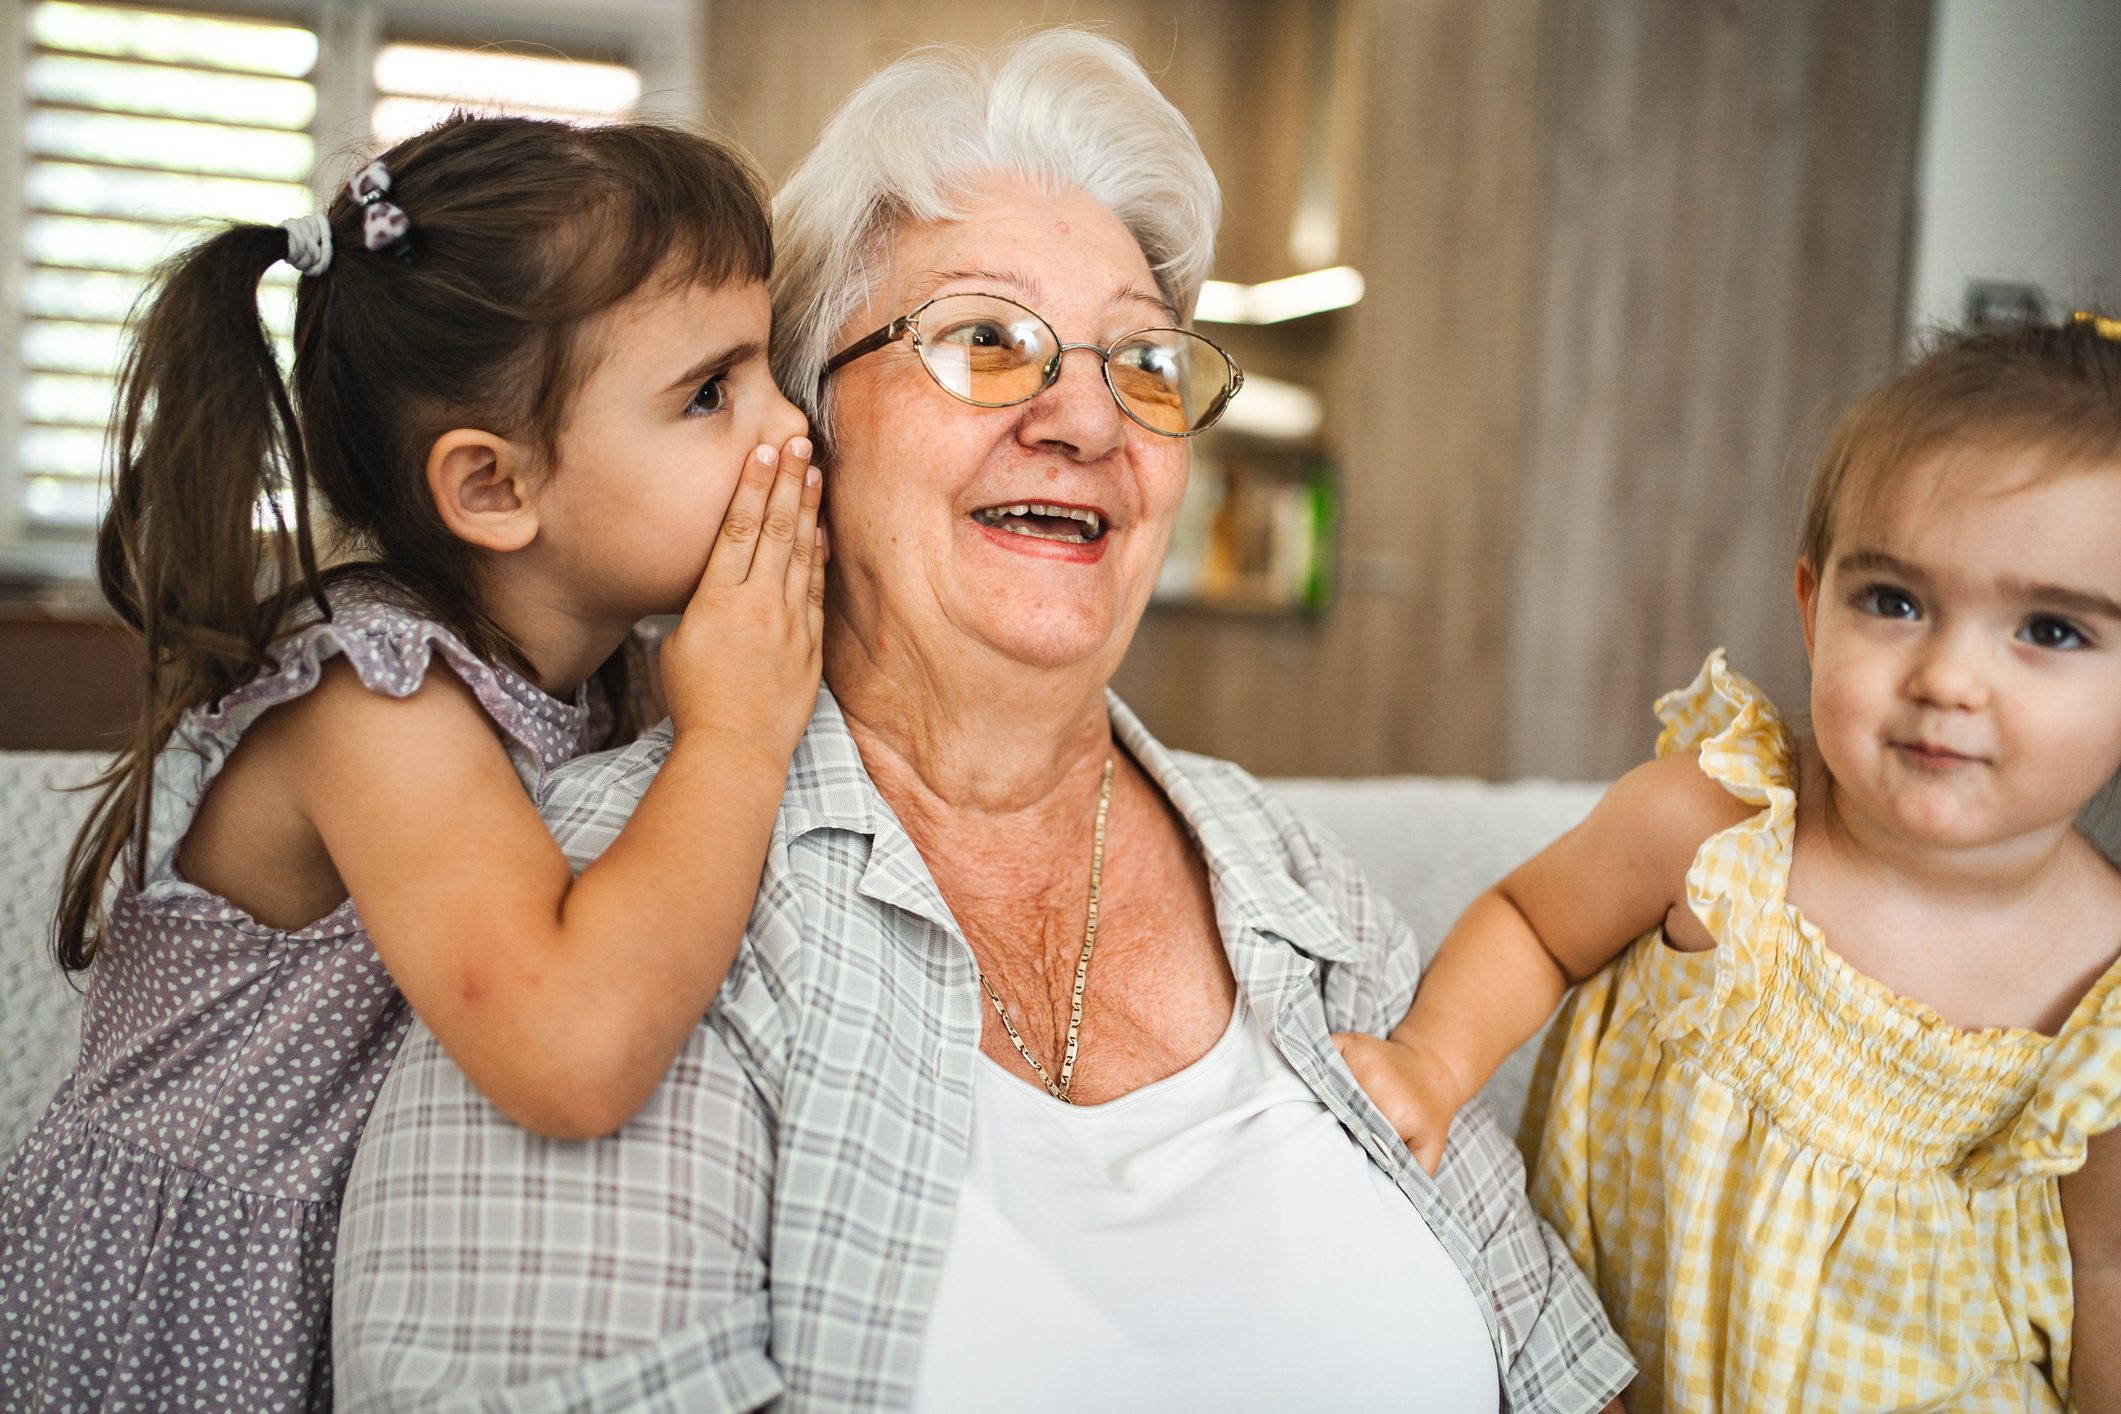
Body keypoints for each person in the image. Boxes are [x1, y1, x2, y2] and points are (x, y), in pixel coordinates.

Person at [333, 30, 1634, 1414]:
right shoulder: (606, 900)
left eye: (1144, 359)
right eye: (985, 339)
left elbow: (1560, 1368)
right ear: (802, 430)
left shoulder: (1292, 881)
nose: (1089, 416)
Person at [0, 116, 824, 1410]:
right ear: (492, 489)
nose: (791, 429)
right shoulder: (378, 701)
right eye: (712, 392)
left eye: (770, 368)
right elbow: (571, 1047)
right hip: (171, 1302)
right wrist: (735, 736)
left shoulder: (578, 676)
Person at [1338, 314, 2121, 1410]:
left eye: (2049, 630)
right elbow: (1531, 923)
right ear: (1813, 607)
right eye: (1894, 602)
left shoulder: (2105, 993)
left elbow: (2105, 1268)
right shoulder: (1718, 826)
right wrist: (1430, 1060)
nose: (1949, 677)